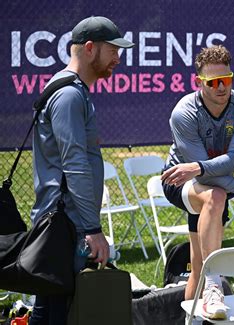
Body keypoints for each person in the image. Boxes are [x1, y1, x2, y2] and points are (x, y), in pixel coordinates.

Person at [29, 16, 134, 324]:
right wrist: (92, 230)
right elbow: (74, 165)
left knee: (47, 311)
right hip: (66, 226)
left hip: (63, 224)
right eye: (113, 50)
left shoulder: (73, 91)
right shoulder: (69, 95)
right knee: (61, 314)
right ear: (90, 48)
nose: (118, 58)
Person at [161, 45, 234, 320]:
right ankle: (215, 283)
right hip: (179, 181)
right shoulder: (184, 112)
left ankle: (191, 319)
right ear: (198, 83)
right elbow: (202, 175)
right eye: (213, 82)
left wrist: (205, 169)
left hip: (211, 181)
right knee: (215, 196)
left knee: (197, 264)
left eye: (226, 80)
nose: (221, 88)